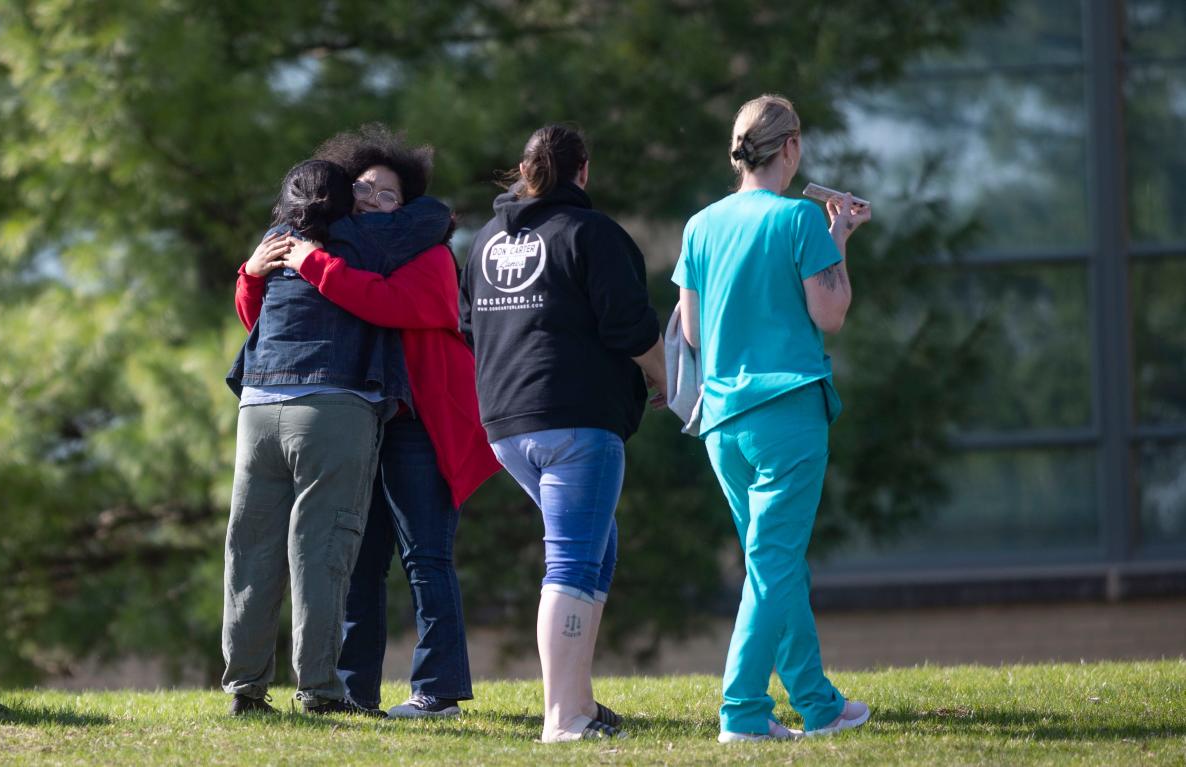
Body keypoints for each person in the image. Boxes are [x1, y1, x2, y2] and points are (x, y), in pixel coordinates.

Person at [239, 126, 500, 719]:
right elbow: (271, 326)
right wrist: (252, 272)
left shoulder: (429, 255)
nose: (372, 199)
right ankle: (353, 690)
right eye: (363, 188)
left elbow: (393, 304)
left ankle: (438, 691)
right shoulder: (325, 247)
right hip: (353, 414)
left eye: (388, 194)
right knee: (357, 560)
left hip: (417, 418)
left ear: (406, 207)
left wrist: (314, 267)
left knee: (425, 555)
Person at [459, 124, 668, 742]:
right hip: (576, 421)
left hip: (505, 424)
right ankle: (564, 718)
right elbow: (630, 326)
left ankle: (578, 700)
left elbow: (470, 329)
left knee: (595, 549)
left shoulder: (484, 241)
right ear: (584, 171)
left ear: (523, 173)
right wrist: (665, 382)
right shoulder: (591, 233)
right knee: (573, 560)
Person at [673, 94, 872, 742]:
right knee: (775, 563)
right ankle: (743, 712)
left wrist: (829, 236)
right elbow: (831, 314)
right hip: (786, 413)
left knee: (774, 563)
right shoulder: (799, 221)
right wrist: (837, 236)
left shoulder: (701, 225)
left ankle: (818, 703)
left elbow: (693, 331)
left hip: (723, 422)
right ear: (790, 148)